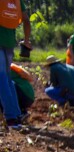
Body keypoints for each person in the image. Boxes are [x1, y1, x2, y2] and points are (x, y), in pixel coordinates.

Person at [0, 0, 31, 130]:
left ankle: (11, 118)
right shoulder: (17, 1)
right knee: (7, 79)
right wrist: (26, 40)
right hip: (9, 44)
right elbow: (26, 21)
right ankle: (17, 115)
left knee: (1, 79)